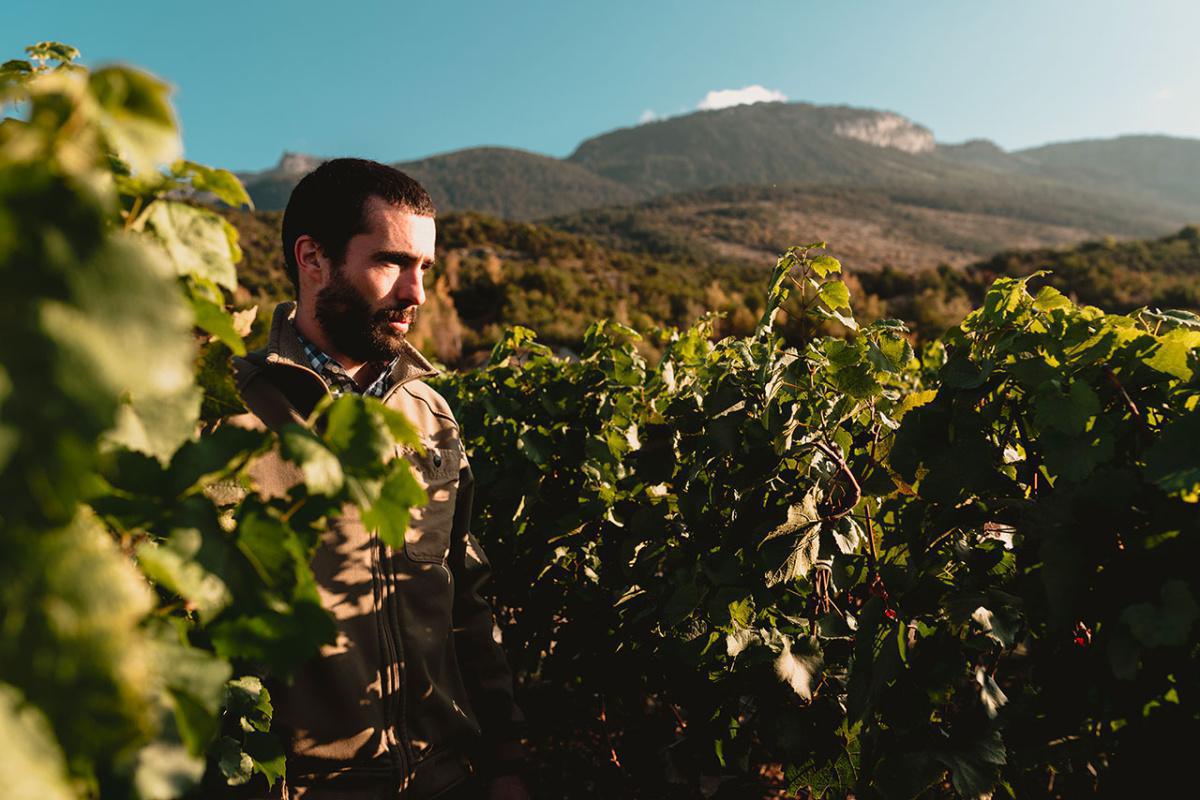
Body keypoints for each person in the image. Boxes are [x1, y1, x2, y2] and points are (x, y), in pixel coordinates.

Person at [229, 158, 529, 799]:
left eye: (424, 267)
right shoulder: (226, 418)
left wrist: (505, 760)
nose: (416, 293)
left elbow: (464, 601)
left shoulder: (431, 415)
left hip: (444, 781)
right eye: (392, 262)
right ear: (312, 258)